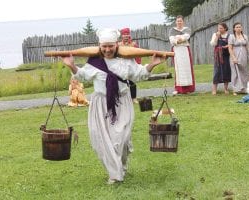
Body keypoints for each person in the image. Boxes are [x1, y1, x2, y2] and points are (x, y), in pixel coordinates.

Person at [61, 28, 166, 184]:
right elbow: (83, 75)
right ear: (99, 46)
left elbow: (139, 74)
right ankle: (115, 174)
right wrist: (71, 66)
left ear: (117, 45)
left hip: (122, 102)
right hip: (100, 105)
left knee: (120, 140)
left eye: (110, 46)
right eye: (104, 46)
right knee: (100, 141)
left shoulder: (126, 60)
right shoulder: (95, 61)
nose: (107, 50)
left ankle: (121, 167)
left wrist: (152, 64)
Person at [169, 15, 195, 94]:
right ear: (176, 22)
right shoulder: (172, 30)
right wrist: (179, 39)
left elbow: (186, 37)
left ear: (183, 21)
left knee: (187, 68)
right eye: (178, 21)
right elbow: (172, 40)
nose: (179, 22)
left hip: (184, 49)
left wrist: (179, 38)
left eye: (180, 21)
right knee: (178, 69)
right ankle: (179, 89)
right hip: (177, 50)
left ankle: (189, 88)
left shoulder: (187, 29)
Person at [118, 27, 141, 103]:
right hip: (122, 65)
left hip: (131, 65)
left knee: (132, 82)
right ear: (122, 36)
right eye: (124, 34)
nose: (126, 36)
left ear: (129, 35)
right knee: (122, 82)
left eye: (127, 34)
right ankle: (123, 98)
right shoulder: (118, 45)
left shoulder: (133, 44)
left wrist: (137, 64)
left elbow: (138, 54)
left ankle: (133, 98)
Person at [228, 22, 249, 95]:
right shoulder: (231, 36)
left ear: (241, 28)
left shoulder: (245, 36)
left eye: (239, 27)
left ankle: (244, 88)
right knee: (235, 73)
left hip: (244, 55)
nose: (238, 28)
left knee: (245, 72)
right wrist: (233, 58)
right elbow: (230, 48)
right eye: (236, 27)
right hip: (235, 55)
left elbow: (247, 47)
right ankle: (235, 89)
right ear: (234, 29)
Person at [210, 22, 231, 95]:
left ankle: (225, 89)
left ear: (225, 28)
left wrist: (227, 46)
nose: (219, 29)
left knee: (226, 71)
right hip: (218, 56)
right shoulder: (215, 34)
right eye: (218, 28)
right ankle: (214, 90)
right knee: (217, 72)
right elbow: (213, 44)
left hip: (226, 55)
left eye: (221, 28)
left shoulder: (229, 35)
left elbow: (231, 44)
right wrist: (217, 37)